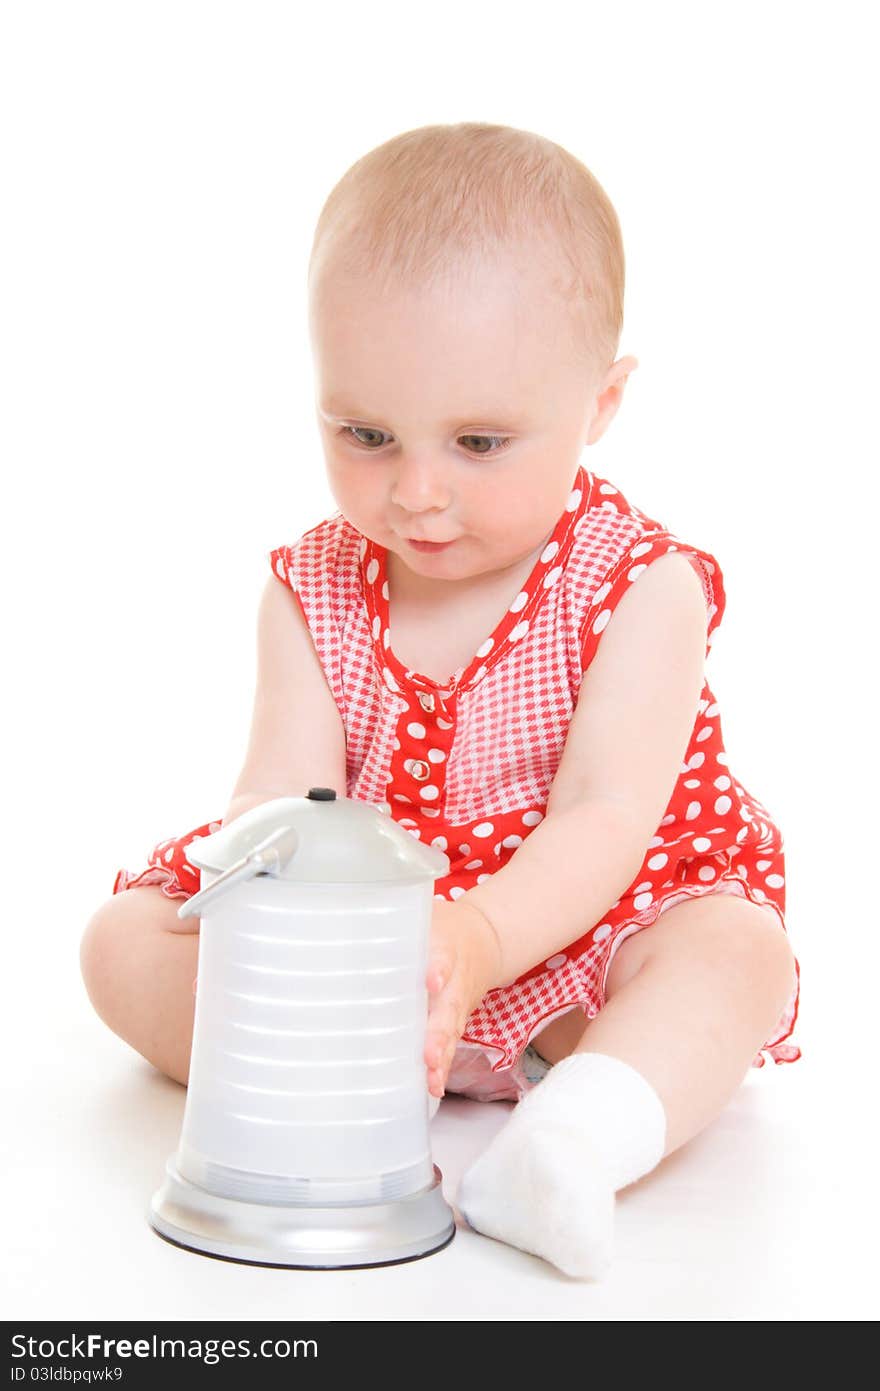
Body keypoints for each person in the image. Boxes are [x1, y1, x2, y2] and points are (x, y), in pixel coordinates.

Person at [80, 122, 801, 1281]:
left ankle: (571, 1133)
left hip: (575, 934)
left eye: (478, 441)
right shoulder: (310, 585)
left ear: (602, 402)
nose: (416, 493)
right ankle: (346, 1094)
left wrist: (477, 932)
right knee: (123, 942)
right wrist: (298, 944)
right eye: (364, 433)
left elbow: (606, 822)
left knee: (733, 951)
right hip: (362, 968)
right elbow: (277, 799)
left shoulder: (638, 585)